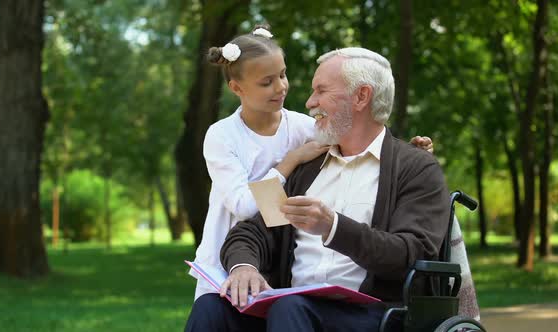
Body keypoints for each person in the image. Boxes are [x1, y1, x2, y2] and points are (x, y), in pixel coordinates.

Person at [185, 47, 450, 332]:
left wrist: (332, 226)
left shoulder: (414, 168)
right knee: (211, 306)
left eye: (321, 91)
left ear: (361, 96)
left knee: (291, 308)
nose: (310, 102)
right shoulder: (307, 165)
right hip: (292, 310)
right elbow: (250, 231)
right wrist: (244, 267)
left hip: (371, 316)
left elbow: (411, 253)